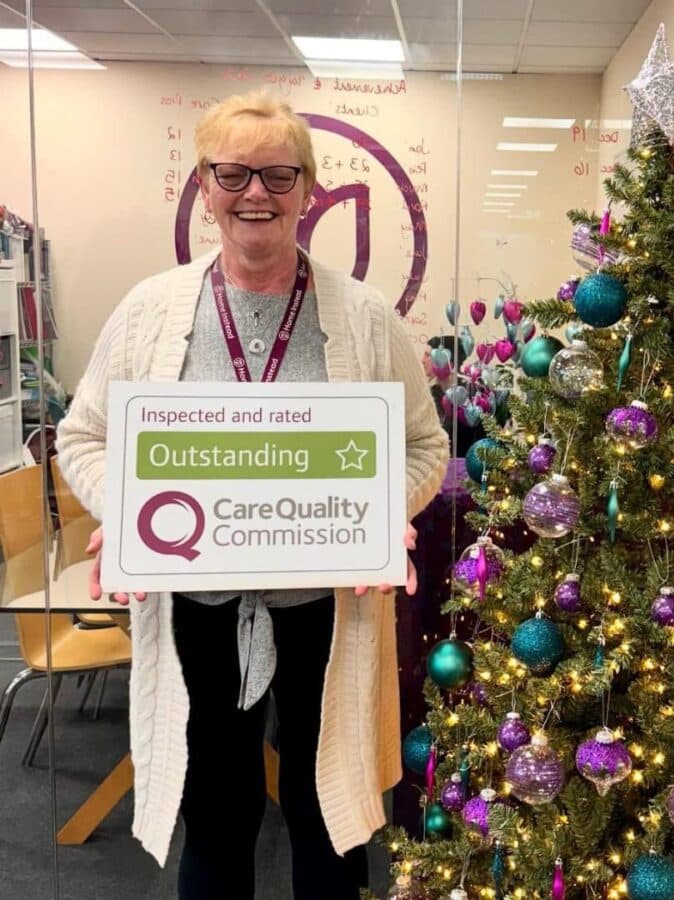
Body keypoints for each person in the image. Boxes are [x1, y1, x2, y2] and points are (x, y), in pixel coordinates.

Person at [55, 92, 449, 900]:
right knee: (218, 809)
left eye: (277, 173)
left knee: (325, 810)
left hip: (325, 610)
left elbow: (424, 446)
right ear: (205, 186)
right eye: (232, 173)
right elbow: (82, 436)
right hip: (196, 605)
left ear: (308, 189)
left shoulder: (367, 318)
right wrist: (123, 508)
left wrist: (383, 514)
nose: (255, 193)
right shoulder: (151, 311)